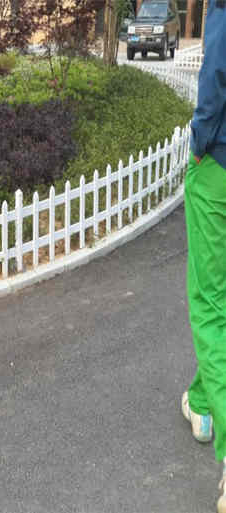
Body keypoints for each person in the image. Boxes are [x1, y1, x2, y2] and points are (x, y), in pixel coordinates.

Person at [183, 1, 226, 512]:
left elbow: (215, 75)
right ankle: (200, 400)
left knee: (211, 305)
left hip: (218, 166)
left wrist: (198, 142)